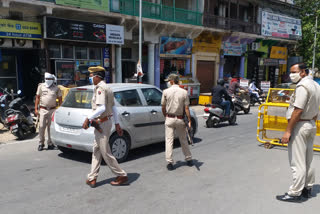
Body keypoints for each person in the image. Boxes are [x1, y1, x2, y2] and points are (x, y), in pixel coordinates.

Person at [277, 63, 320, 202]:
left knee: (297, 162)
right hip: (310, 124)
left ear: (303, 72)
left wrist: (288, 131)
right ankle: (307, 188)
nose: (291, 75)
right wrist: (312, 119)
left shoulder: (302, 86)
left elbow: (298, 110)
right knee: (308, 160)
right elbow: (315, 106)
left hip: (300, 126)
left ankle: (295, 193)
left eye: (293, 72)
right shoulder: (315, 85)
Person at [82, 66, 128, 188]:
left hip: (102, 123)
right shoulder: (108, 88)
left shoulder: (101, 88)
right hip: (103, 122)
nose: (90, 78)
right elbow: (113, 107)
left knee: (105, 152)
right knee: (96, 151)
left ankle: (122, 175)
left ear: (97, 76)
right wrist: (117, 123)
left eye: (91, 76)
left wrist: (88, 118)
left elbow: (102, 108)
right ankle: (92, 178)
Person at [161, 74, 193, 171]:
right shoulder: (184, 92)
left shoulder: (165, 92)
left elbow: (163, 107)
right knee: (183, 139)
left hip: (169, 118)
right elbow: (186, 108)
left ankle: (170, 162)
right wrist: (189, 120)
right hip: (180, 119)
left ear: (171, 81)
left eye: (168, 81)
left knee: (169, 141)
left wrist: (165, 116)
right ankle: (189, 159)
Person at [35, 72, 62, 151]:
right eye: (46, 79)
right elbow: (37, 97)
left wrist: (59, 108)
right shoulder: (41, 86)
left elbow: (60, 99)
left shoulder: (56, 88)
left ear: (52, 79)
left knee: (50, 128)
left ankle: (50, 143)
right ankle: (41, 143)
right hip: (43, 109)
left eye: (49, 79)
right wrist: (36, 109)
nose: (48, 80)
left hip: (53, 110)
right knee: (41, 127)